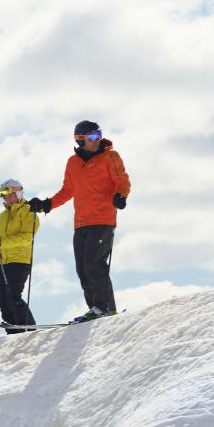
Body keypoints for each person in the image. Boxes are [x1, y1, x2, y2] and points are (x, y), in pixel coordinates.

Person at [27, 120, 131, 322]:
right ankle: (95, 308)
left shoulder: (110, 156)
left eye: (99, 134)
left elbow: (122, 179)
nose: (97, 139)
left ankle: (105, 308)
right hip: (81, 222)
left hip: (103, 219)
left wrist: (121, 195)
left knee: (94, 264)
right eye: (92, 136)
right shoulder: (73, 163)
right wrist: (47, 204)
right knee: (82, 269)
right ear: (80, 139)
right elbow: (68, 191)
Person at [0, 179, 39, 332]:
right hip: (3, 262)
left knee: (13, 297)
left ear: (18, 193)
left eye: (10, 195)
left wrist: (1, 243)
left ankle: (29, 328)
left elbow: (26, 238)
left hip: (20, 260)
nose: (7, 199)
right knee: (3, 300)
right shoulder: (2, 216)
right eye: (4, 196)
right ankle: (14, 331)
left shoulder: (29, 211)